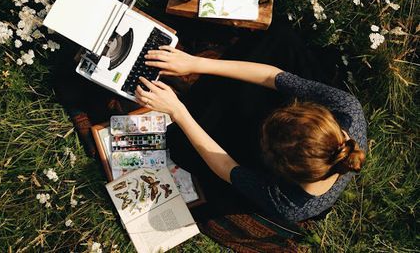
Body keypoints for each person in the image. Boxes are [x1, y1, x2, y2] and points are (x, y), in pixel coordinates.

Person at [133, 26, 367, 223]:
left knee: (182, 146)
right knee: (279, 39)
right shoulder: (347, 108)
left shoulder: (288, 204)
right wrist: (196, 64)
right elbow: (273, 78)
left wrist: (178, 111)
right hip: (295, 145)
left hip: (252, 160)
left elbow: (227, 168)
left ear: (276, 164)